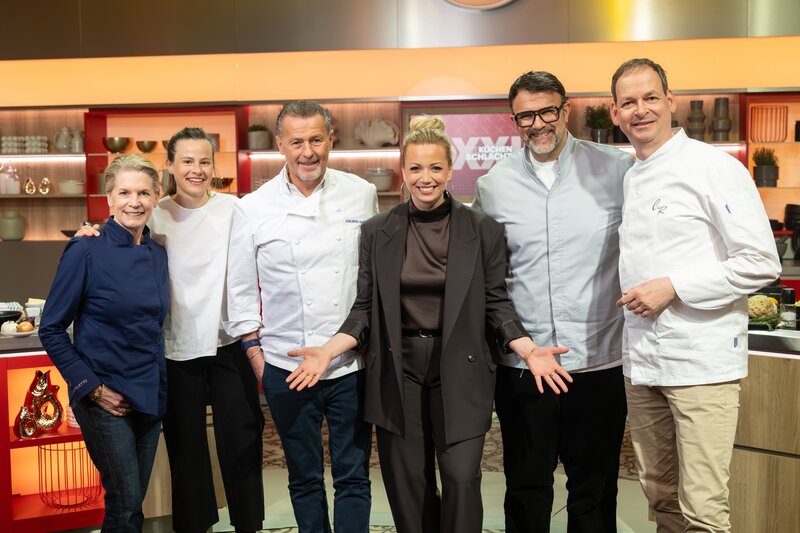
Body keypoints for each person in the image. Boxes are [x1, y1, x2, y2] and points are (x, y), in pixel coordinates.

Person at [286, 116, 572, 533]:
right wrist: (328, 351)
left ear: (451, 170)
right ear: (403, 171)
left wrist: (528, 350)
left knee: (461, 478)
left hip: (462, 366)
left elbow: (497, 303)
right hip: (397, 371)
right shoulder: (377, 231)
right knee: (409, 487)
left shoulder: (483, 230)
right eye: (416, 168)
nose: (426, 178)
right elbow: (364, 308)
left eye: (436, 167)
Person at [610, 58, 781, 532]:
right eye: (629, 102)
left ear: (670, 101)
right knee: (659, 496)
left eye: (650, 98)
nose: (641, 110)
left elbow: (760, 261)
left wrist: (674, 287)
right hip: (642, 365)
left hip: (701, 366)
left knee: (703, 509)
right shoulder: (631, 175)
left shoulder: (714, 167)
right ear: (615, 113)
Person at [75, 127, 265, 533]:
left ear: (214, 165)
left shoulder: (234, 209)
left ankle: (249, 524)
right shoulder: (156, 211)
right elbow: (119, 235)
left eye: (205, 161)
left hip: (227, 342)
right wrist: (91, 231)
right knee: (186, 448)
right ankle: (195, 526)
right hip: (175, 347)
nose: (197, 170)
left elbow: (246, 275)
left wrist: (251, 338)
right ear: (170, 167)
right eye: (187, 161)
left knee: (243, 440)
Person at [472, 71, 634, 533]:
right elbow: (488, 279)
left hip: (599, 362)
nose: (537, 123)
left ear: (566, 110)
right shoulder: (493, 185)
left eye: (547, 111)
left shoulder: (617, 170)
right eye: (526, 116)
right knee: (526, 488)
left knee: (594, 490)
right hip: (524, 365)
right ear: (514, 120)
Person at [225, 100, 378, 533]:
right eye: (296, 142)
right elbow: (240, 289)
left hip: (349, 364)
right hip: (285, 365)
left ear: (331, 139)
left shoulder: (361, 193)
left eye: (315, 140)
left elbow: (372, 280)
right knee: (304, 476)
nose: (307, 152)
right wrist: (257, 356)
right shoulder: (252, 207)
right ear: (280, 145)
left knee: (353, 475)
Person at [39, 154, 169, 533]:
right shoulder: (85, 249)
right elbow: (51, 328)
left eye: (143, 193)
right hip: (104, 397)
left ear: (156, 196)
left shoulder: (158, 253)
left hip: (149, 392)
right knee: (125, 505)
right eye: (124, 192)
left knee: (132, 503)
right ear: (108, 198)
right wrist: (92, 389)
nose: (134, 202)